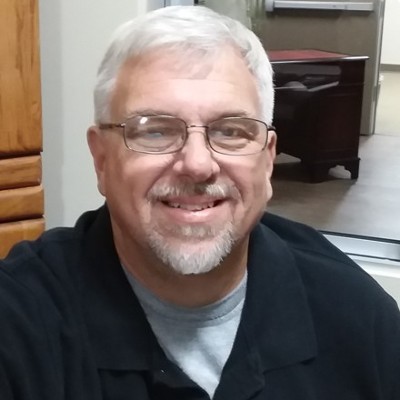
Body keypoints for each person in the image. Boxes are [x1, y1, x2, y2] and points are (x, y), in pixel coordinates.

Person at [0, 5, 399, 400]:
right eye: (154, 131)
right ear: (102, 159)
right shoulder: (20, 323)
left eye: (231, 131)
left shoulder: (358, 320)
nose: (197, 164)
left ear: (267, 161)